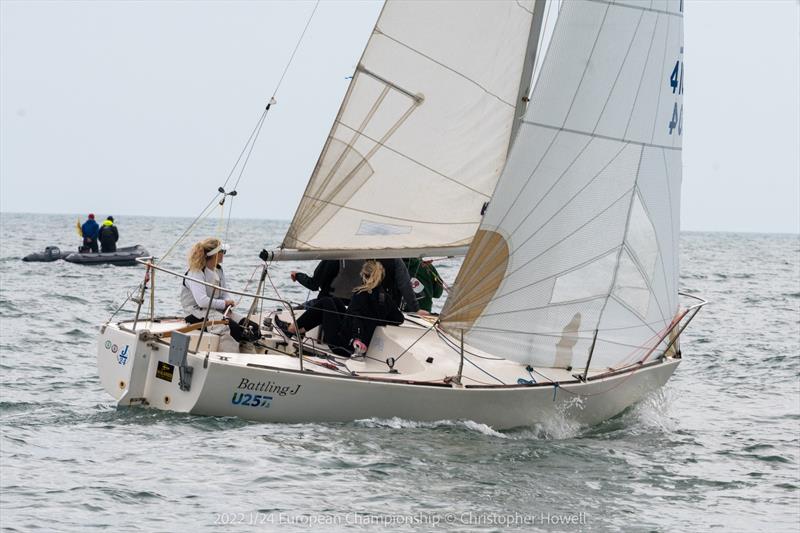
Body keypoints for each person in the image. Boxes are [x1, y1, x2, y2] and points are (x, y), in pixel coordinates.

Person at [282, 260, 404, 356]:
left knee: (325, 302)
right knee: (334, 301)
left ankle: (292, 329)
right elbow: (399, 319)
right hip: (357, 340)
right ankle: (299, 330)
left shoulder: (360, 295)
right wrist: (377, 319)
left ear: (364, 276)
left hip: (344, 345)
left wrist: (357, 338)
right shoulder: (385, 298)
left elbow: (356, 317)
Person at [290, 258, 423, 314]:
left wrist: (298, 275)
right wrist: (415, 309)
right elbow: (405, 285)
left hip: (328, 305)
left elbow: (314, 285)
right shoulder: (394, 260)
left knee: (295, 311)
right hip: (362, 309)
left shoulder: (334, 257)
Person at [180, 238, 236, 324]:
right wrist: (224, 303)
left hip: (215, 310)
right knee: (234, 328)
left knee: (250, 326)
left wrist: (228, 303)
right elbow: (202, 302)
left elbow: (224, 294)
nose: (224, 254)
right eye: (223, 251)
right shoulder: (196, 272)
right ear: (215, 254)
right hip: (195, 314)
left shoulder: (219, 270)